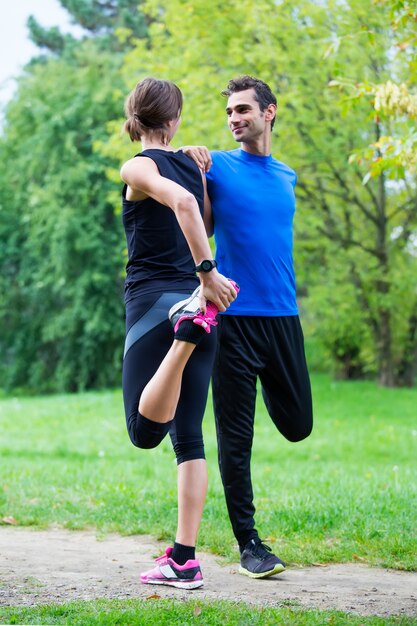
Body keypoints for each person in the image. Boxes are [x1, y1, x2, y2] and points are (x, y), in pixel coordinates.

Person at [185, 76, 313, 579]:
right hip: (233, 321)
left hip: (283, 318)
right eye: (229, 112)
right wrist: (195, 167)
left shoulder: (287, 175)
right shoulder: (216, 165)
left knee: (299, 425)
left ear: (270, 112)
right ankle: (250, 544)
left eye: (243, 110)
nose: (235, 118)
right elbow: (205, 225)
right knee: (236, 438)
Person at [119, 77, 238, 590]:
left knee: (145, 433)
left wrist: (207, 271)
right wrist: (204, 284)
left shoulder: (137, 166)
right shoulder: (195, 165)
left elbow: (185, 210)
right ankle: (184, 560)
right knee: (189, 441)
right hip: (198, 304)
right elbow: (203, 214)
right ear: (174, 120)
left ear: (135, 118)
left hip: (155, 306)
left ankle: (183, 338)